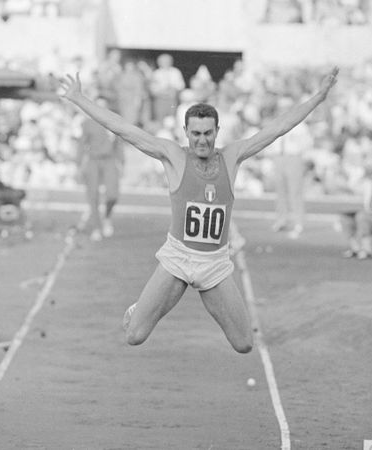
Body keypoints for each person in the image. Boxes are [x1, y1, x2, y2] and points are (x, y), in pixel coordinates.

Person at [59, 66, 339, 353]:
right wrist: (80, 99)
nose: (202, 140)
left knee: (244, 344)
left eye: (207, 133)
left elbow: (278, 128)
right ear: (186, 132)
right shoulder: (173, 156)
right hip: (178, 257)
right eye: (195, 134)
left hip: (215, 263)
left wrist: (318, 98)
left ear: (217, 131)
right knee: (135, 336)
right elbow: (123, 128)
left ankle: (176, 298)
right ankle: (141, 308)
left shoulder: (233, 156)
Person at [76, 97, 124, 241]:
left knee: (112, 195)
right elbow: (81, 145)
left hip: (109, 160)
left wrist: (121, 162)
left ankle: (107, 217)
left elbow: (119, 145)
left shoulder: (113, 122)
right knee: (93, 196)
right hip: (93, 161)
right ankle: (97, 227)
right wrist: (79, 165)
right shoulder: (87, 123)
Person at [271, 120, 313, 239]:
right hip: (279, 156)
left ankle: (298, 222)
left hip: (293, 156)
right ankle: (281, 220)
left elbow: (308, 142)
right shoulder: (278, 122)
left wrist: (298, 147)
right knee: (280, 191)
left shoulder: (300, 126)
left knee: (295, 191)